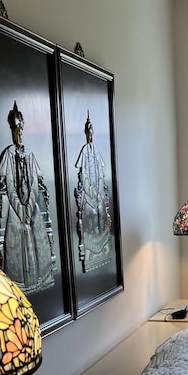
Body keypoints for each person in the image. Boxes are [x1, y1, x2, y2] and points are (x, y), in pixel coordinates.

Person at [0, 101, 56, 293]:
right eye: (16, 129)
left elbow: (35, 182)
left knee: (37, 236)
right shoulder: (8, 154)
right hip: (14, 208)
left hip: (31, 206)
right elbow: (8, 185)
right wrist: (20, 208)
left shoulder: (30, 154)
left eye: (21, 129)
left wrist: (28, 207)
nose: (18, 134)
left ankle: (41, 277)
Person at [74, 111, 111, 272]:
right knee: (89, 218)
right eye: (88, 133)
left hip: (98, 196)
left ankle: (103, 249)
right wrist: (91, 192)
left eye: (91, 132)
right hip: (89, 196)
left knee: (101, 217)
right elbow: (83, 175)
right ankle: (89, 255)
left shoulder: (96, 151)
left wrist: (98, 193)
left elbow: (101, 174)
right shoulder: (85, 151)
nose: (90, 136)